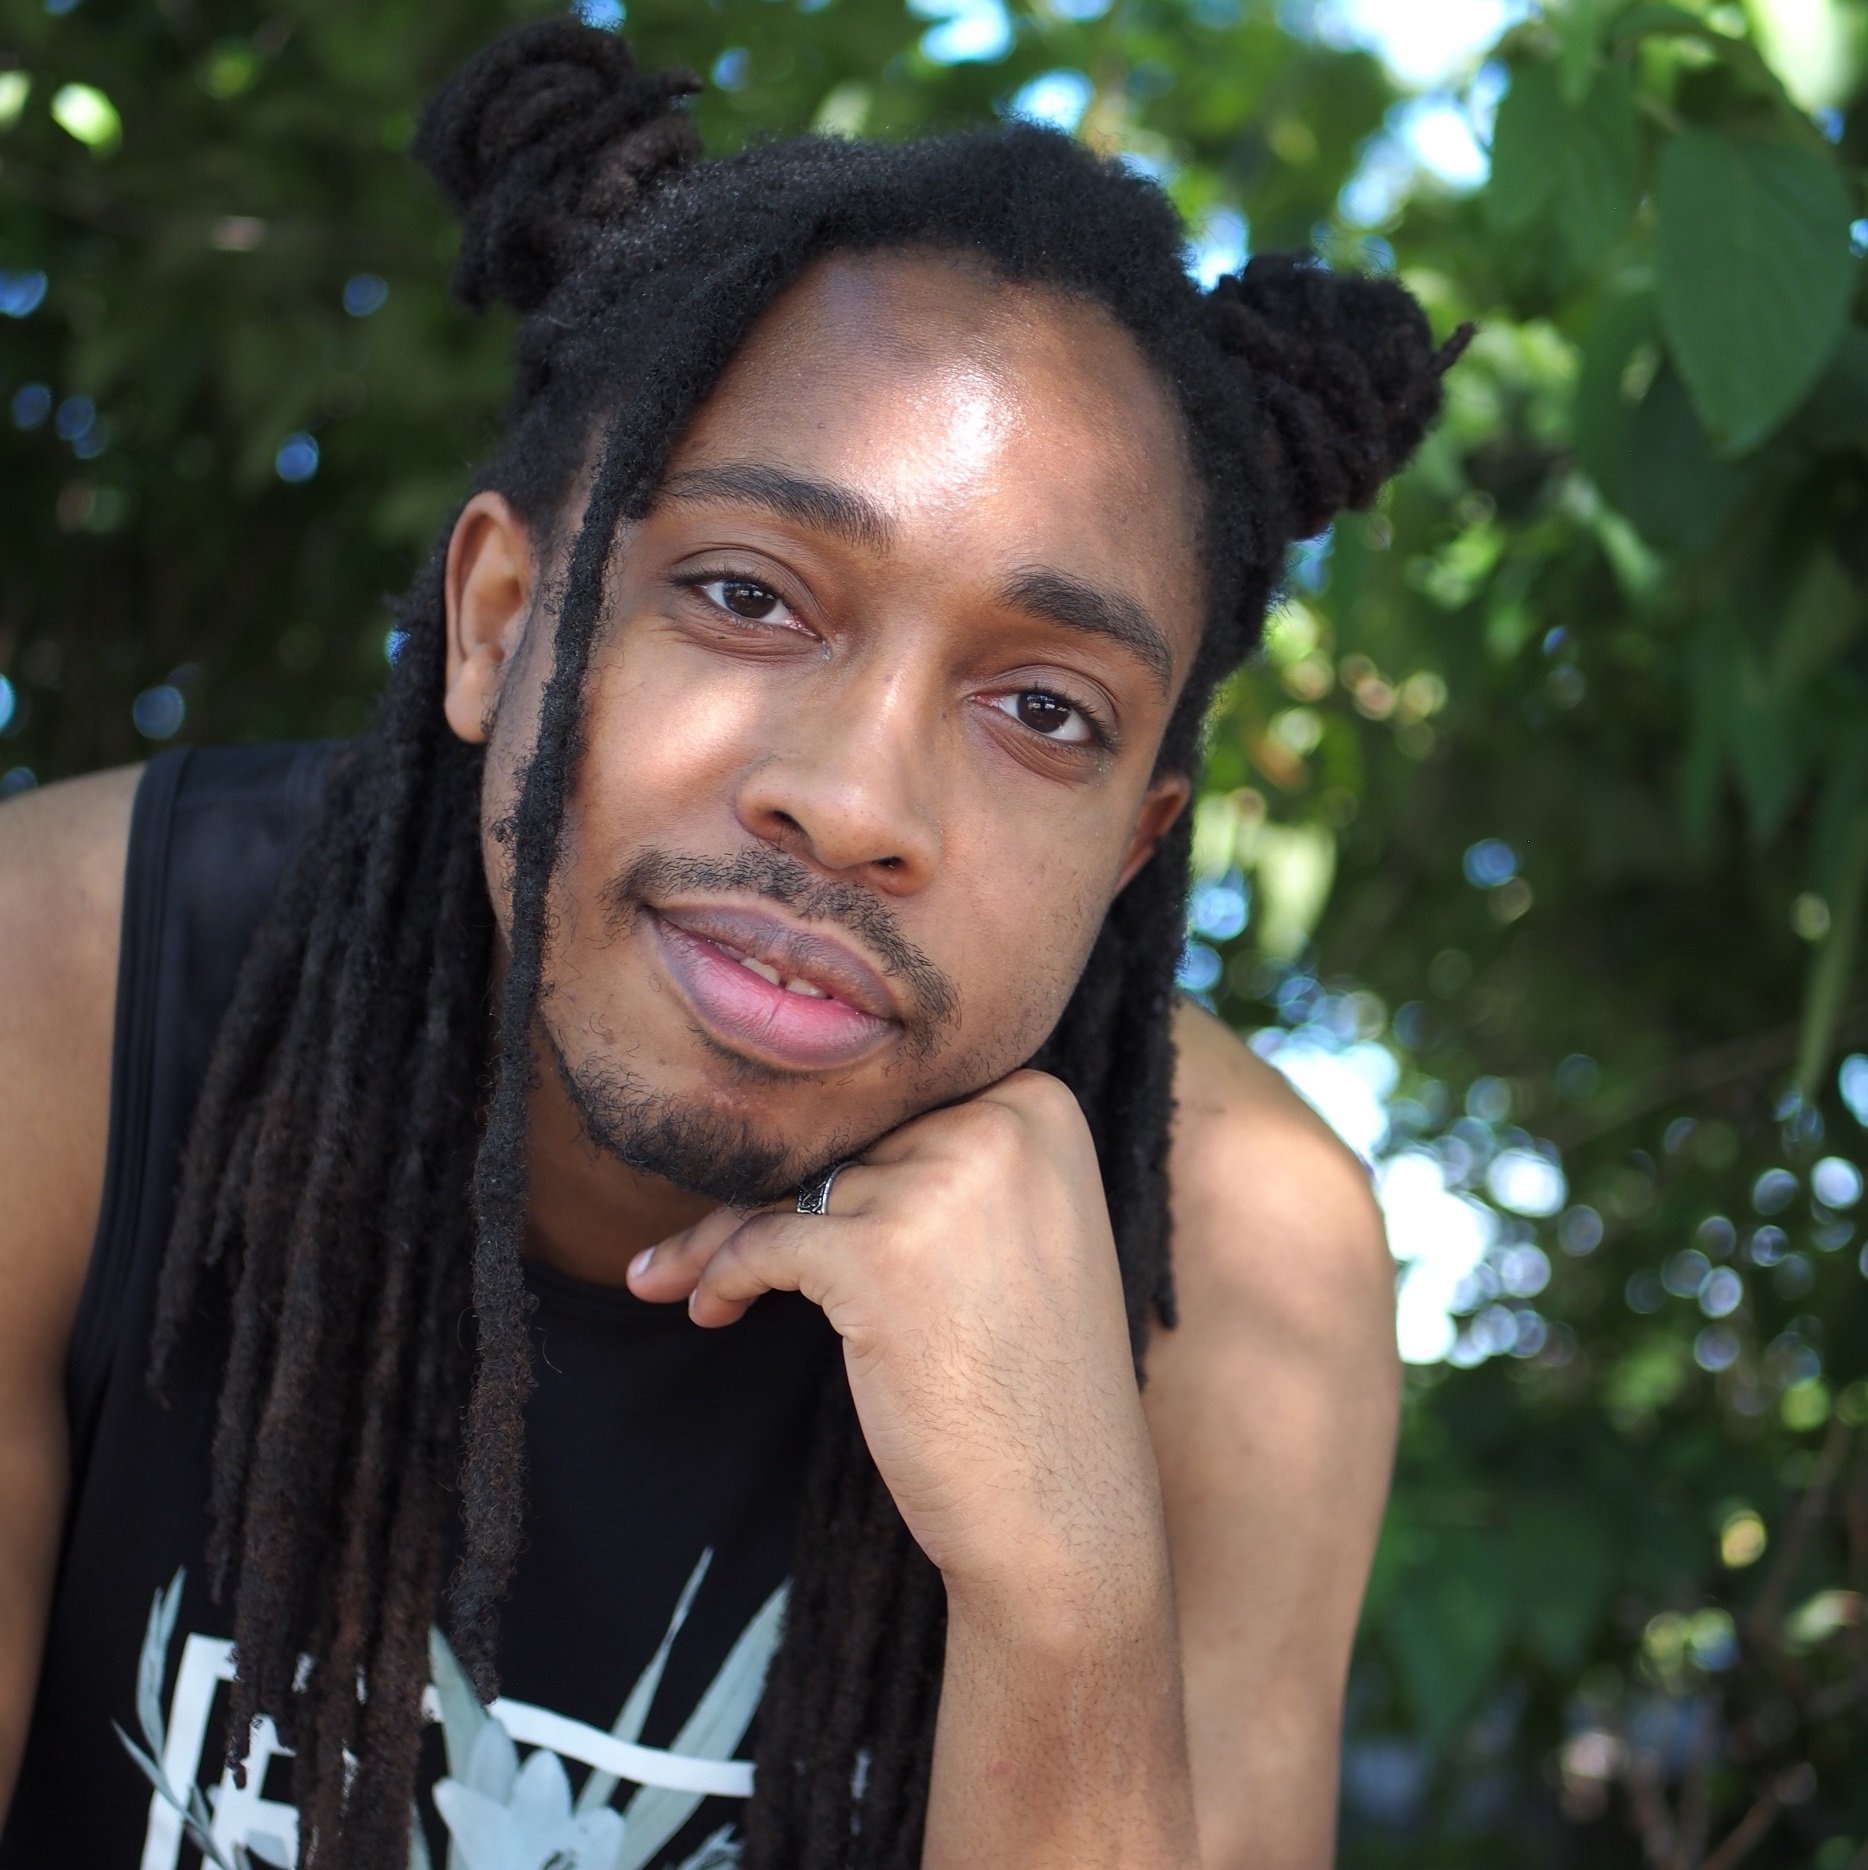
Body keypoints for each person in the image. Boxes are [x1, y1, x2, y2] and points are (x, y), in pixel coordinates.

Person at [0, 20, 1462, 1869]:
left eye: (1045, 711)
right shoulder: (58, 991)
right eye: (748, 595)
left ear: (1134, 847)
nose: (857, 802)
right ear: (494, 619)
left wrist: (1071, 1595)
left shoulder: (1244, 1266)